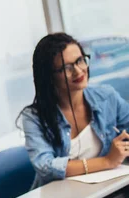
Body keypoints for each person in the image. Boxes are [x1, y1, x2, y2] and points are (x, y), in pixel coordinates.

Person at [19, 32, 129, 189]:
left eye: (80, 61)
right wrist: (107, 161)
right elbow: (46, 166)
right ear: (49, 76)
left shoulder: (106, 97)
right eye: (66, 68)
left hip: (105, 188)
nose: (78, 71)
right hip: (60, 197)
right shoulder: (34, 117)